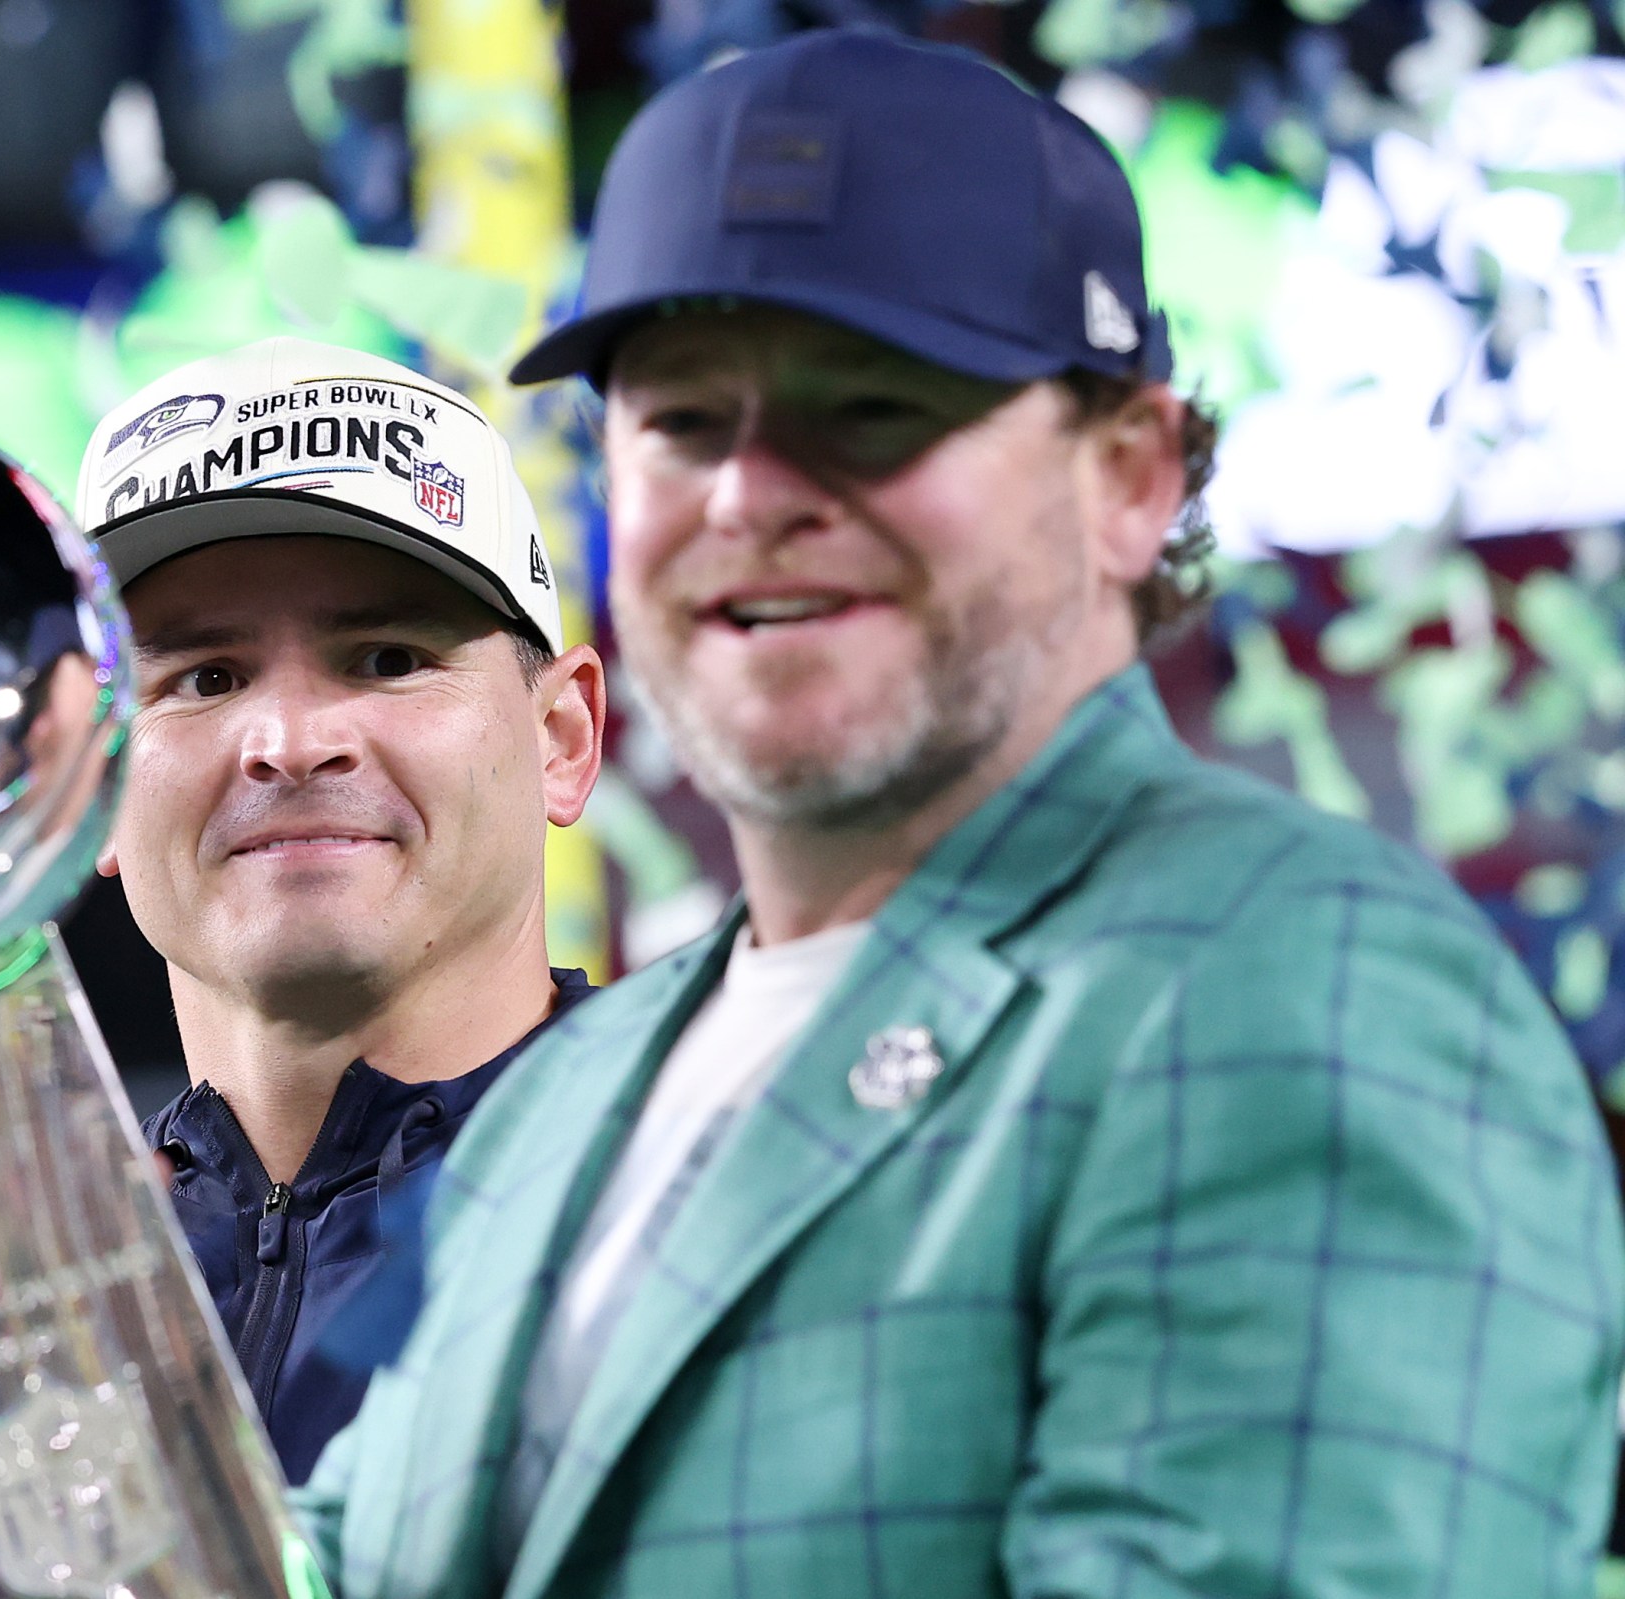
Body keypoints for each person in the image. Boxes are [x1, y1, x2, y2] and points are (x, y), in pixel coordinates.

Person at [292, 30, 1625, 1599]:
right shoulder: (563, 1091)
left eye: (869, 406)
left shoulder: (1304, 989)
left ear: (1134, 474)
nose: (746, 494)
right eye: (684, 421)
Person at [0, 337, 607, 1592]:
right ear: (80, 784)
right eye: (204, 675)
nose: (290, 740)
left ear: (564, 736)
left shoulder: (699, 1201)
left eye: (387, 657)